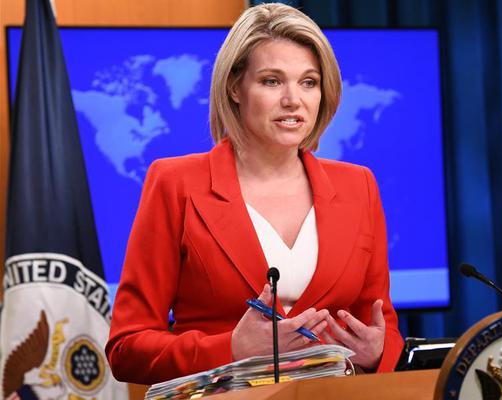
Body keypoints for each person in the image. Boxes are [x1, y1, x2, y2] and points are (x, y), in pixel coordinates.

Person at [105, 2, 403, 385]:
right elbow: (127, 348)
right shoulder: (176, 184)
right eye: (272, 81)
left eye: (309, 82)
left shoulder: (358, 186)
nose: (293, 100)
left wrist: (378, 353)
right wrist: (232, 348)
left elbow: (382, 326)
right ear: (235, 87)